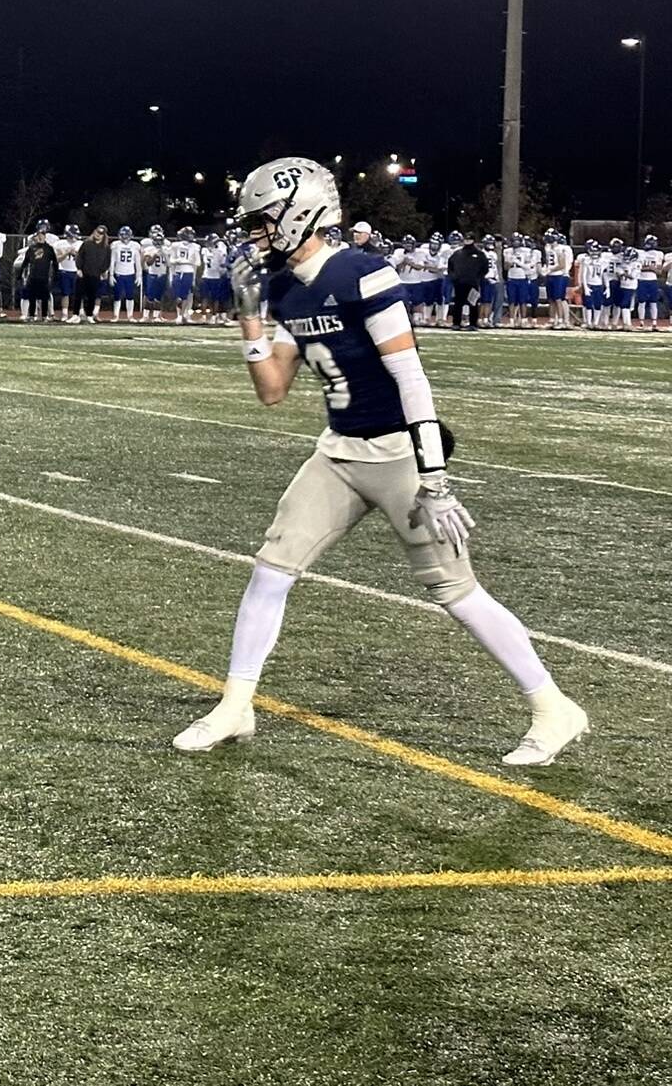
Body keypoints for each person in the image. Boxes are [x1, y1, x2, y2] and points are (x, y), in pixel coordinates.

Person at [174, 157, 588, 767]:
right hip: (338, 450)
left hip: (398, 455)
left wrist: (435, 479)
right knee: (271, 570)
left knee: (457, 591)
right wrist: (249, 315)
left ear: (299, 212)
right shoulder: (286, 288)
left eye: (263, 220)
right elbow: (270, 388)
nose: (255, 233)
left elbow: (411, 377)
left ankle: (554, 707)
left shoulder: (364, 274)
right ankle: (236, 706)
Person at [447, 229, 487, 330]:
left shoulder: (479, 254)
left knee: (473, 303)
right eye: (466, 239)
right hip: (459, 283)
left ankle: (473, 324)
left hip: (473, 283)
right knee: (458, 304)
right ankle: (456, 323)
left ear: (473, 240)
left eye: (469, 239)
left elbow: (485, 268)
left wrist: (477, 278)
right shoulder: (458, 253)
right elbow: (450, 266)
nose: (467, 241)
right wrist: (454, 277)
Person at [73, 225, 109, 324]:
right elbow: (79, 256)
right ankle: (75, 315)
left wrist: (102, 271)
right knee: (78, 295)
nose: (98, 235)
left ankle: (89, 315)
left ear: (103, 235)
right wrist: (79, 268)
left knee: (92, 296)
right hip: (83, 273)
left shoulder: (106, 247)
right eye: (97, 232)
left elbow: (107, 261)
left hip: (95, 274)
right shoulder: (87, 244)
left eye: (101, 234)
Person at [17, 230, 56, 321]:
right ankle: (31, 315)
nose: (40, 237)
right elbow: (25, 262)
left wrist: (55, 275)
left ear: (45, 236)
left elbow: (55, 263)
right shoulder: (31, 248)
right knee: (32, 297)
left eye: (42, 235)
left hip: (44, 277)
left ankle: (44, 316)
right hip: (33, 276)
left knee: (45, 297)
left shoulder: (49, 249)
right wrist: (20, 274)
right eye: (38, 235)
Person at [108, 225, 141, 322]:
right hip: (119, 273)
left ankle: (130, 316)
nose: (125, 237)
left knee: (130, 295)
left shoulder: (135, 246)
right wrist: (111, 274)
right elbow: (112, 260)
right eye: (123, 235)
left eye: (126, 235)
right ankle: (115, 315)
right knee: (117, 295)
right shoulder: (115, 245)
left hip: (130, 273)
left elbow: (137, 261)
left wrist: (138, 275)